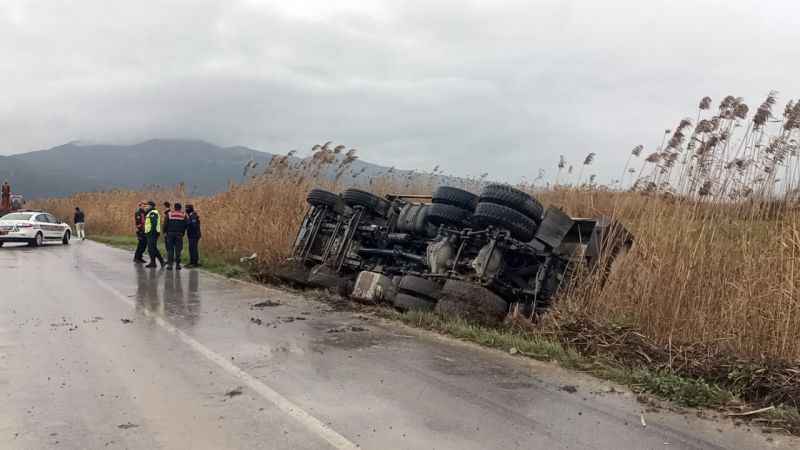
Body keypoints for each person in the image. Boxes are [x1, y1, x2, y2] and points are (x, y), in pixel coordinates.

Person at [164, 202, 187, 270]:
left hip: (170, 234)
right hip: (179, 234)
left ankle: (170, 265)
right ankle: (177, 265)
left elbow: (165, 224)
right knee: (178, 250)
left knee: (170, 250)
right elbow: (186, 224)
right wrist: (183, 232)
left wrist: (165, 232)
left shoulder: (169, 214)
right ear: (180, 208)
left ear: (174, 207)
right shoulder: (183, 215)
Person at [144, 201, 165, 268]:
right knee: (152, 248)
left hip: (152, 233)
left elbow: (154, 223)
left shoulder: (153, 213)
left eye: (147, 205)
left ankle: (156, 262)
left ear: (150, 206)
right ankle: (157, 262)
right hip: (150, 233)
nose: (146, 207)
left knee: (151, 248)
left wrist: (151, 231)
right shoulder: (150, 212)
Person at [185, 204, 201, 268]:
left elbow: (194, 225)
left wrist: (188, 224)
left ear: (190, 209)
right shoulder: (190, 216)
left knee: (193, 249)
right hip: (192, 235)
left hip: (194, 235)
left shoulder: (193, 216)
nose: (186, 209)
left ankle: (194, 263)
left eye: (187, 208)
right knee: (191, 248)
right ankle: (192, 262)